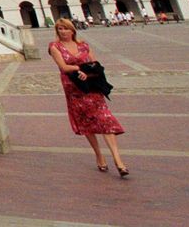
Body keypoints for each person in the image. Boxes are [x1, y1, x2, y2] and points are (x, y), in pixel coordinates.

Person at [48, 18, 129, 177]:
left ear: (73, 30)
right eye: (60, 29)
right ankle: (99, 154)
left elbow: (96, 63)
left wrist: (88, 71)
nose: (63, 32)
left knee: (105, 119)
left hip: (92, 85)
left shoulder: (83, 45)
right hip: (74, 88)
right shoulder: (54, 47)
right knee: (86, 121)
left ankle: (118, 161)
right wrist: (81, 68)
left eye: (66, 29)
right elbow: (63, 67)